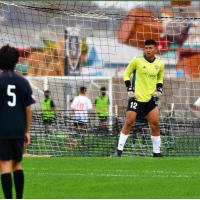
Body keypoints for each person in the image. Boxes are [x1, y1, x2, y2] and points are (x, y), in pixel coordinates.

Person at [116, 39, 165, 157]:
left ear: (155, 49)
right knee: (129, 122)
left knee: (155, 124)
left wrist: (159, 90)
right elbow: (126, 74)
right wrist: (129, 89)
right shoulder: (136, 61)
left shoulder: (160, 64)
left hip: (150, 100)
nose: (148, 50)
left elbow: (160, 78)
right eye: (146, 48)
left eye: (150, 48)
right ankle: (119, 151)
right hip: (136, 98)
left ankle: (156, 153)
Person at [0, 44, 35, 198]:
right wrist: (27, 131)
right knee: (17, 165)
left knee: (5, 166)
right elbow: (28, 109)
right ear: (16, 61)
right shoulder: (23, 82)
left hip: (2, 130)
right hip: (18, 130)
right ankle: (19, 198)